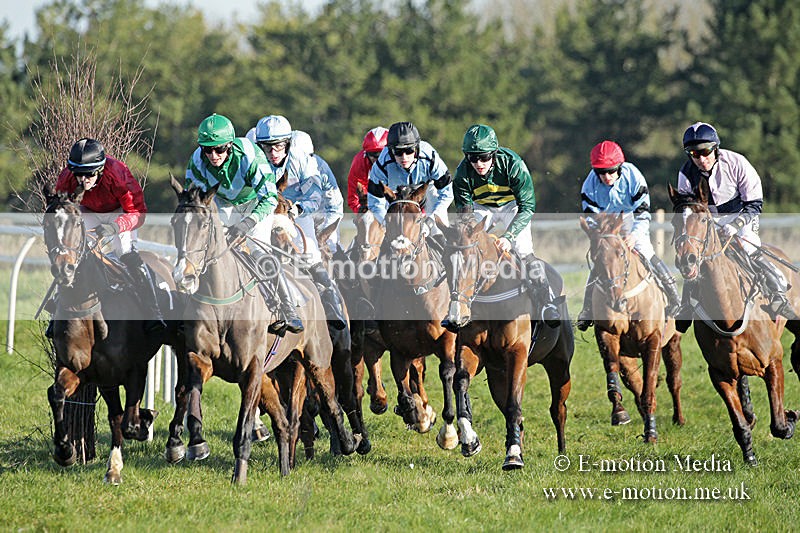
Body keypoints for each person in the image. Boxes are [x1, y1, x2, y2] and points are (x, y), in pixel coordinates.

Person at [186, 113, 303, 334]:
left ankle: (288, 310)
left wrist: (247, 223)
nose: (213, 155)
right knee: (202, 252)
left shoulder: (249, 155)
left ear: (230, 145)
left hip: (255, 203)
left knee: (260, 252)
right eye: (207, 149)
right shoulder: (197, 161)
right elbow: (194, 199)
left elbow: (269, 199)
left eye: (219, 149)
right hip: (223, 205)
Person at [677, 121, 797, 322]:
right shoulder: (686, 173)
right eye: (694, 154)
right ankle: (686, 306)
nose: (701, 158)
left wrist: (735, 226)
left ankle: (777, 295)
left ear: (715, 148)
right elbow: (688, 210)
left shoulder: (737, 163)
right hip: (709, 222)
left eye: (705, 151)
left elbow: (754, 203)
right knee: (696, 255)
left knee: (748, 247)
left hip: (741, 216)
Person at [453, 124, 561, 328]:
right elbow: (465, 216)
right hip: (481, 206)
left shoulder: (513, 164)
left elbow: (527, 207)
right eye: (472, 157)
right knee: (465, 247)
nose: (478, 163)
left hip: (512, 206)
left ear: (493, 153)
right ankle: (457, 306)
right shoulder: (462, 173)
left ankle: (546, 303)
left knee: (523, 249)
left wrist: (508, 236)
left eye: (484, 157)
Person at [54, 137, 166, 333]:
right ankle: (57, 310)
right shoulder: (67, 178)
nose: (83, 180)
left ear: (100, 170)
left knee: (125, 252)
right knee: (73, 254)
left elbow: (138, 213)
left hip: (120, 212)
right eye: (78, 174)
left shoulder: (118, 174)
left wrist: (115, 228)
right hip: (87, 211)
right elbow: (62, 208)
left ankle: (153, 310)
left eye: (88, 174)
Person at [253, 114, 346, 329]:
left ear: (287, 144)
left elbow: (315, 195)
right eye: (267, 148)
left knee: (310, 250)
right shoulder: (256, 160)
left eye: (278, 147)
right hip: (266, 210)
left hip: (299, 211)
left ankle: (331, 301)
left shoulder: (301, 159)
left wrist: (296, 210)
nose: (273, 154)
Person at [576, 140, 681, 331]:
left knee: (645, 251)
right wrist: (600, 236)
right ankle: (586, 310)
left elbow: (643, 213)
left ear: (620, 166)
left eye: (611, 171)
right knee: (603, 258)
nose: (606, 176)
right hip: (606, 223)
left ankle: (674, 297)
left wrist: (634, 235)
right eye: (601, 172)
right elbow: (590, 218)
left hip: (632, 218)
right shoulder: (589, 184)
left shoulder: (634, 176)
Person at [367, 121, 453, 249]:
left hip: (427, 188)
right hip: (397, 192)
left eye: (409, 150)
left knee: (438, 229)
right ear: (391, 151)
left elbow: (447, 192)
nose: (404, 157)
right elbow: (374, 201)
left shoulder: (430, 158)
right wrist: (385, 222)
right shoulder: (381, 164)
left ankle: (447, 261)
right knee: (391, 234)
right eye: (398, 152)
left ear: (417, 148)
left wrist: (431, 220)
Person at [290, 130, 344, 255]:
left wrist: (325, 235)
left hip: (323, 215)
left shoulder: (321, 168)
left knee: (332, 246)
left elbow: (335, 207)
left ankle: (348, 273)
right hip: (298, 215)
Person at [347, 126, 388, 213]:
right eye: (373, 154)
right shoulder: (359, 163)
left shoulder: (401, 159)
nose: (377, 159)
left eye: (381, 154)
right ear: (366, 153)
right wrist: (361, 211)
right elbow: (354, 198)